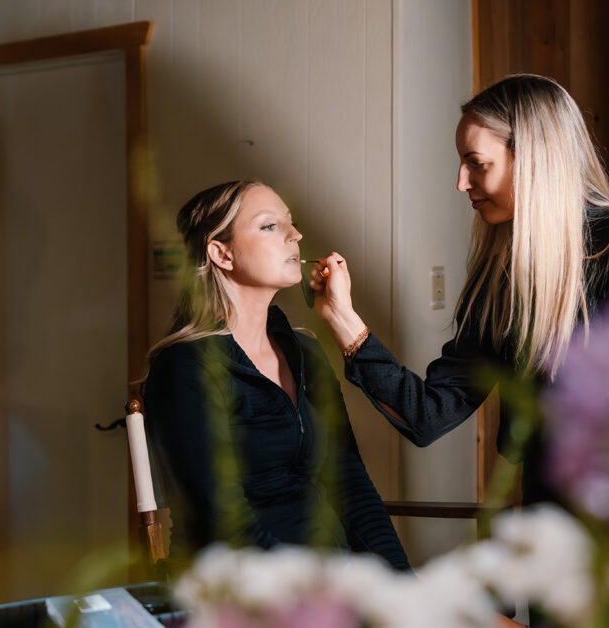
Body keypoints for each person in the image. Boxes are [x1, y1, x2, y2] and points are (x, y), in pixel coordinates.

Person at [310, 74, 609, 609]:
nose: (461, 182)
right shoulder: (502, 278)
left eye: (476, 162)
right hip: (555, 566)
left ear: (535, 157)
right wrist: (344, 321)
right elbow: (428, 415)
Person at [143, 181, 409, 572]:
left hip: (334, 579)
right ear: (222, 253)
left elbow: (350, 483)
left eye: (292, 223)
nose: (295, 235)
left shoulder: (305, 352)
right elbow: (222, 523)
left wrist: (402, 583)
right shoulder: (185, 365)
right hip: (246, 590)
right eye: (270, 226)